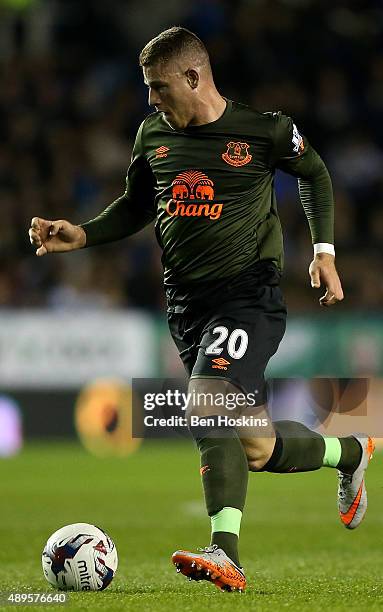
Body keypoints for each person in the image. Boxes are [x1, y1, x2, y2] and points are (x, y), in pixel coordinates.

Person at [29, 27, 374, 593]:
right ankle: (351, 452)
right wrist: (82, 235)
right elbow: (137, 205)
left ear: (193, 77)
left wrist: (324, 252)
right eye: (147, 89)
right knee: (256, 447)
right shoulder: (152, 135)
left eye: (159, 87)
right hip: (187, 307)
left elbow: (314, 174)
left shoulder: (264, 131)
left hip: (248, 297)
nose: (150, 100)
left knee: (206, 402)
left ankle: (226, 551)